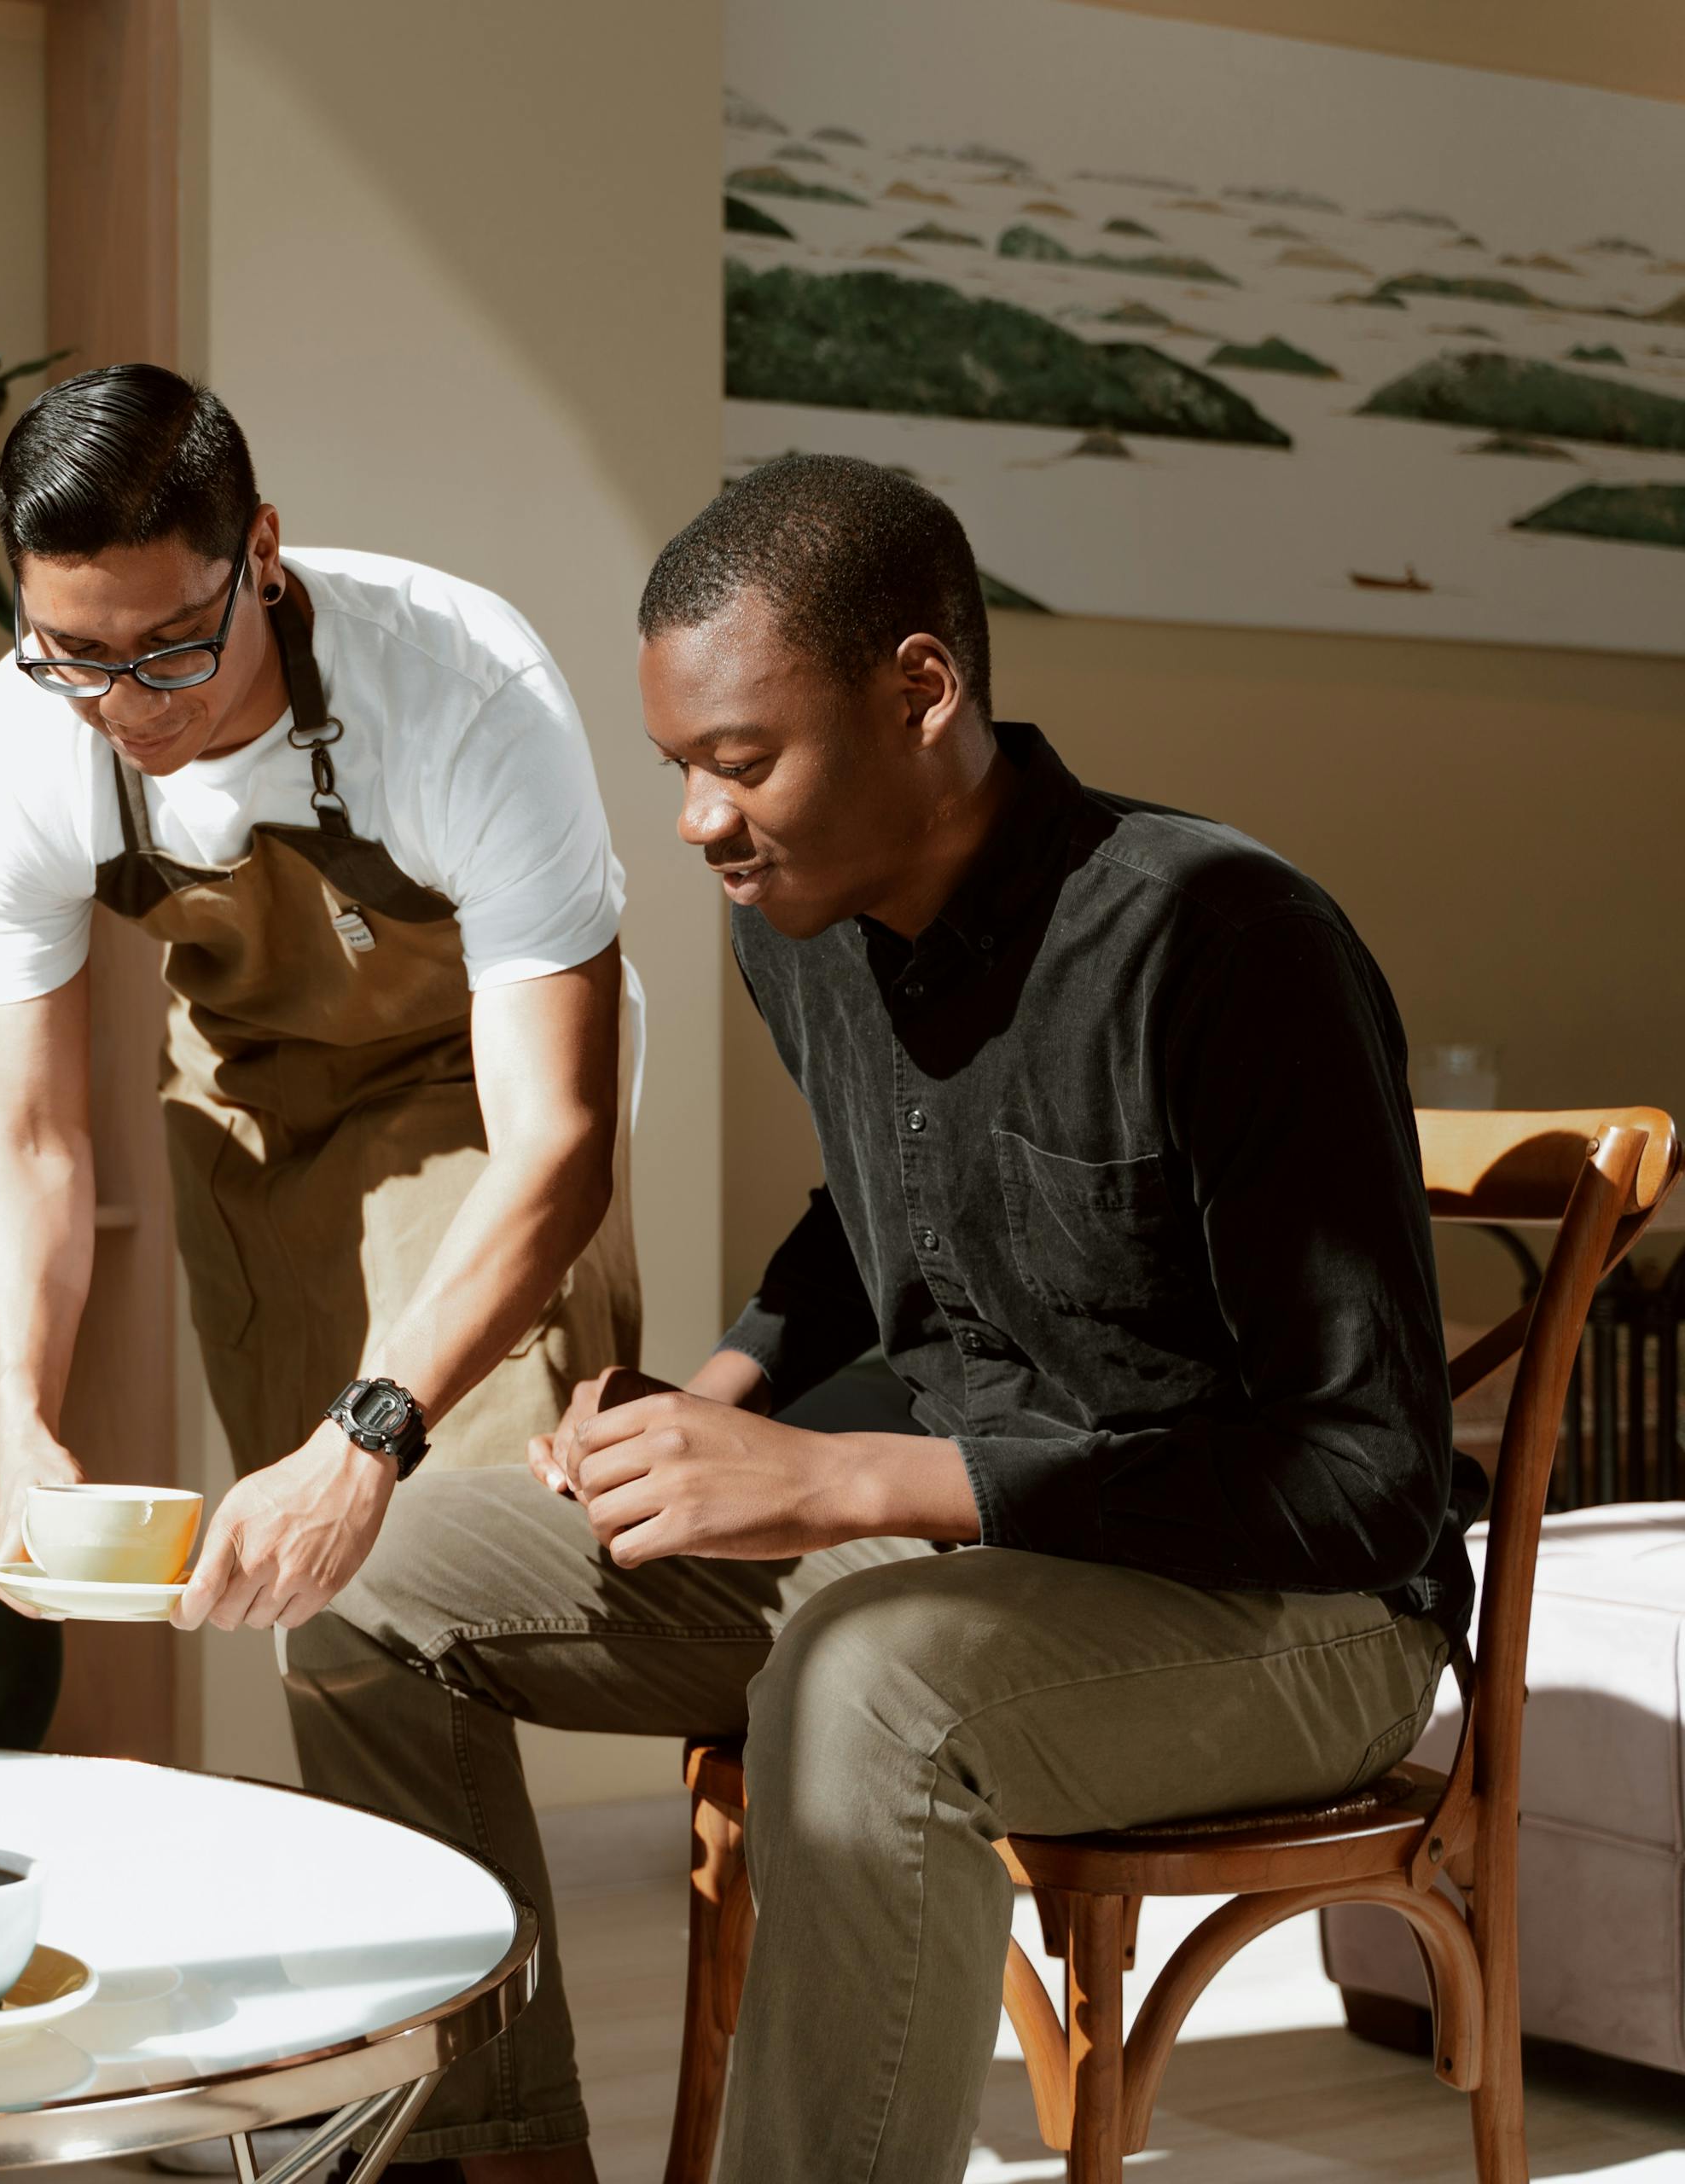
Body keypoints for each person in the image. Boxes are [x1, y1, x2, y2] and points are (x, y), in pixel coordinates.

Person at [282, 455, 1463, 2184]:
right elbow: (872, 1210)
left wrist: (841, 1481)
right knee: (372, 1579)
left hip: (1290, 1609)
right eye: (684, 766)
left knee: (869, 1680)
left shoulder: (1223, 942)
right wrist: (721, 1394)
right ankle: (490, 2153)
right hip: (959, 1565)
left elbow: (1365, 1479)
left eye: (742, 762)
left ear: (923, 690)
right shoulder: (802, 925)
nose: (700, 819)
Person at [0, 363, 641, 1634]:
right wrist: (19, 1429)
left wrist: (370, 1434)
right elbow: (32, 1136)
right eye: (74, 655)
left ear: (260, 550)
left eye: (170, 645)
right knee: (310, 1581)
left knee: (450, 1549)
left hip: (472, 1091)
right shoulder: (9, 752)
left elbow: (560, 1139)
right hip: (246, 1097)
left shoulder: (463, 690)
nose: (128, 706)